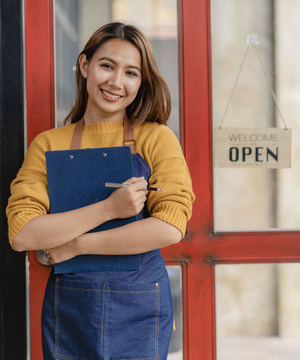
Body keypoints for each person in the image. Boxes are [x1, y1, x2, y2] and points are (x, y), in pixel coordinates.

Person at [6, 22, 194, 360]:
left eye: (131, 72)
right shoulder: (50, 144)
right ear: (84, 66)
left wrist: (76, 245)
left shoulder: (156, 138)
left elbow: (169, 226)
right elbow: (23, 233)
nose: (116, 82)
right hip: (72, 308)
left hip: (140, 307)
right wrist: (109, 209)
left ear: (141, 81)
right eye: (107, 65)